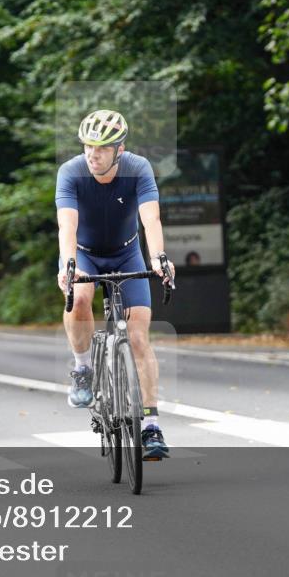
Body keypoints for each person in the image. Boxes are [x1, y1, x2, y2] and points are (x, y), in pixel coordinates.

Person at [56, 109, 176, 461]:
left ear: (119, 149)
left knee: (138, 336)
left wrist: (159, 258)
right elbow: (67, 227)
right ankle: (82, 368)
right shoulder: (72, 172)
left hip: (127, 254)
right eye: (87, 146)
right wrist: (68, 265)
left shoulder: (138, 169)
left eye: (101, 148)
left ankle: (151, 425)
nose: (92, 154)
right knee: (79, 299)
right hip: (85, 254)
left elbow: (150, 219)